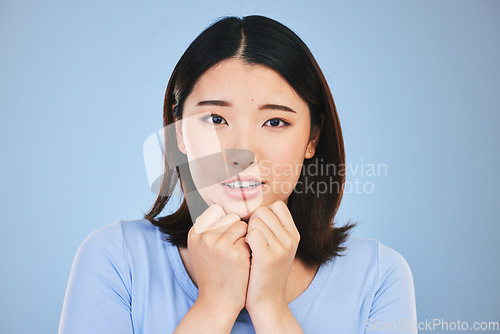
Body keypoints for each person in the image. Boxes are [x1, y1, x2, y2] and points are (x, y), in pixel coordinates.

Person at [58, 15, 417, 334]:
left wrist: (270, 308)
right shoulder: (116, 260)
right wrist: (215, 303)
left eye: (274, 121)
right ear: (179, 132)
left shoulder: (379, 277)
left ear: (312, 137)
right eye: (215, 120)